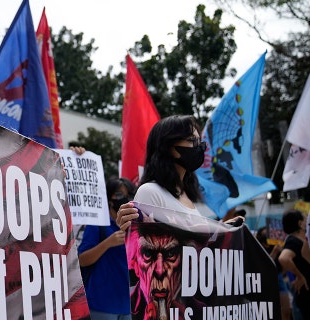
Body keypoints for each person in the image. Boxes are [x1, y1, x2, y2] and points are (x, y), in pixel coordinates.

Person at [116, 115, 244, 230]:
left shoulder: (185, 194)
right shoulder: (150, 192)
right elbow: (148, 248)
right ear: (167, 146)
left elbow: (194, 244)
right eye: (192, 140)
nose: (199, 147)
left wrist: (224, 228)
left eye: (199, 141)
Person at [78, 177, 135, 320]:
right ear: (109, 199)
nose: (124, 199)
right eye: (119, 195)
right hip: (101, 305)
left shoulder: (135, 228)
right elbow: (82, 260)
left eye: (128, 195)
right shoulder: (98, 224)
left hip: (129, 306)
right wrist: (108, 242)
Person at [278, 209, 310, 319]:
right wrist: (300, 276)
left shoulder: (299, 240)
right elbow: (284, 258)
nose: (307, 222)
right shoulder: (293, 241)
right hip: (305, 293)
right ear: (300, 224)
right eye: (305, 219)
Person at [256, 226, 292, 320]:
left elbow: (282, 265)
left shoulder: (277, 244)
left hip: (278, 277)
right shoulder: (259, 249)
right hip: (265, 280)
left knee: (286, 309)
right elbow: (265, 265)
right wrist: (275, 252)